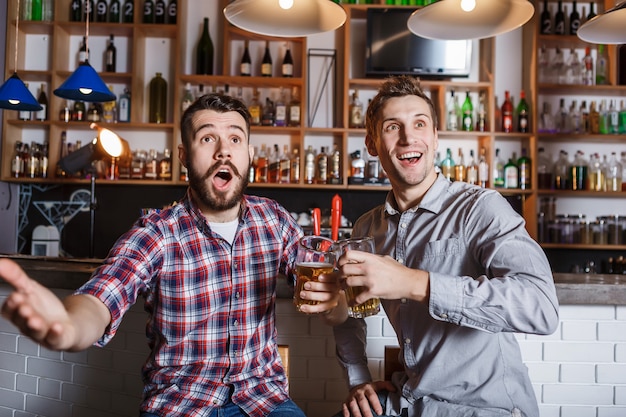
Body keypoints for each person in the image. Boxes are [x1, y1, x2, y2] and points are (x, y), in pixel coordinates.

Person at [0, 93, 335, 417]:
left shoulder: (273, 220)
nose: (223, 152)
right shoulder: (157, 233)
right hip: (179, 405)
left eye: (234, 140)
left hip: (264, 401)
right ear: (184, 156)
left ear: (248, 154)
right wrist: (68, 326)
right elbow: (103, 295)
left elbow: (326, 291)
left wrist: (336, 295)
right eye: (207, 139)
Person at [321, 76, 560, 417]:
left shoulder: (480, 208)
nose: (408, 137)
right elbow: (348, 314)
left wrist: (415, 282)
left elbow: (540, 307)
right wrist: (358, 379)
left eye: (420, 124)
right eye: (393, 127)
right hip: (408, 403)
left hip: (485, 409)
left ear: (434, 137)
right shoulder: (367, 229)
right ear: (372, 144)